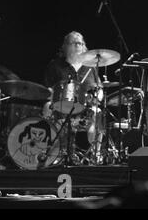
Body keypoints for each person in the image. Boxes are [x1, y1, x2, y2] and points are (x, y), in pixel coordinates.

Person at [43, 31, 104, 163]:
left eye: (80, 43)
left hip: (84, 110)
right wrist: (51, 96)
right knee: (47, 106)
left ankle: (95, 154)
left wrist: (98, 96)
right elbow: (48, 90)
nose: (78, 46)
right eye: (74, 43)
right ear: (65, 46)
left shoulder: (91, 67)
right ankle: (55, 153)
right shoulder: (55, 66)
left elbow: (99, 90)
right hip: (61, 108)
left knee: (98, 112)